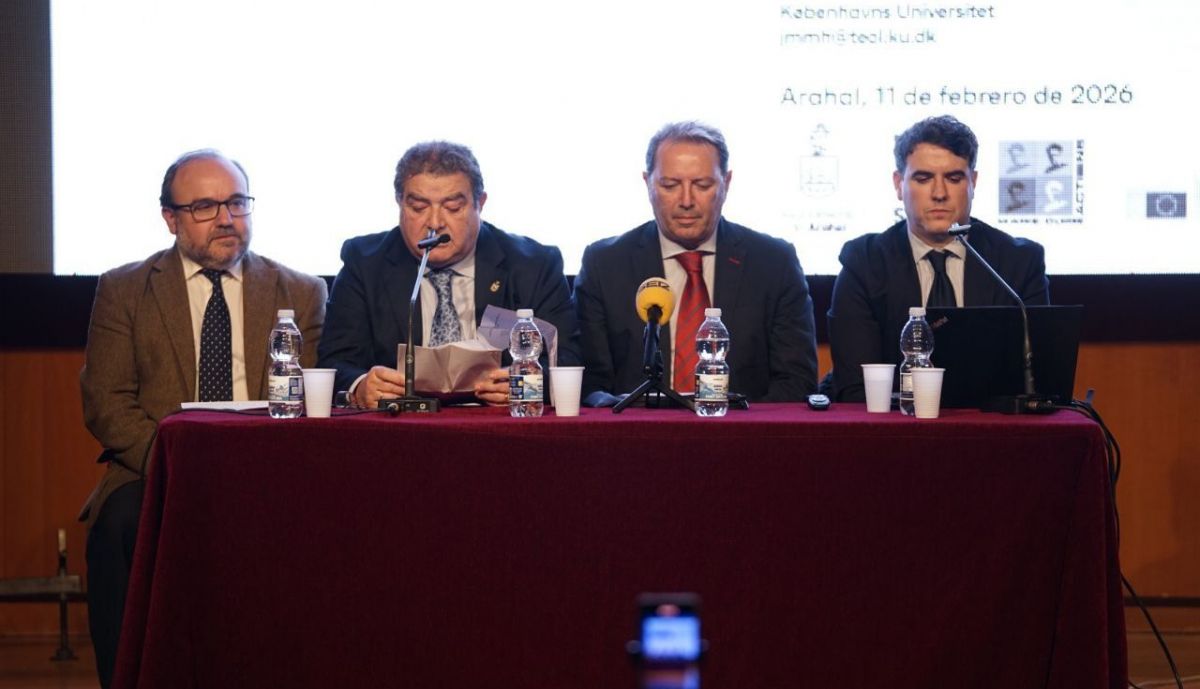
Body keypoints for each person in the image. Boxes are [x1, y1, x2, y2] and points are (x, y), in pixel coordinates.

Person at [79, 149, 326, 688]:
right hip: (156, 468)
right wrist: (178, 468)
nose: (226, 219)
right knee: (119, 526)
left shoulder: (301, 291)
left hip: (268, 467)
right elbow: (106, 401)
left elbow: (310, 398)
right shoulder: (125, 290)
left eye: (237, 203)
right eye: (205, 206)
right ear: (170, 218)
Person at [318, 141, 580, 408]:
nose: (434, 222)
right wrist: (360, 386)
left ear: (480, 203)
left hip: (499, 429)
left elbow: (569, 362)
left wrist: (527, 384)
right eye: (418, 207)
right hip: (402, 429)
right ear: (399, 202)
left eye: (453, 207)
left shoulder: (533, 265)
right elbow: (334, 362)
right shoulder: (365, 262)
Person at [574, 121, 818, 405]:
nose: (686, 200)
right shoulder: (605, 265)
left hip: (742, 439)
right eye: (670, 185)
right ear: (647, 183)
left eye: (702, 185)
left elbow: (797, 382)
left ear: (725, 184)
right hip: (638, 439)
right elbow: (589, 385)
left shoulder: (774, 263)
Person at [826, 115, 1050, 402]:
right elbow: (856, 388)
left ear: (973, 182)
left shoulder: (1018, 263)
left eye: (954, 178)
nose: (939, 193)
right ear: (898, 184)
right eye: (923, 178)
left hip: (990, 435)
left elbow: (1036, 380)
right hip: (894, 436)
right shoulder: (865, 263)